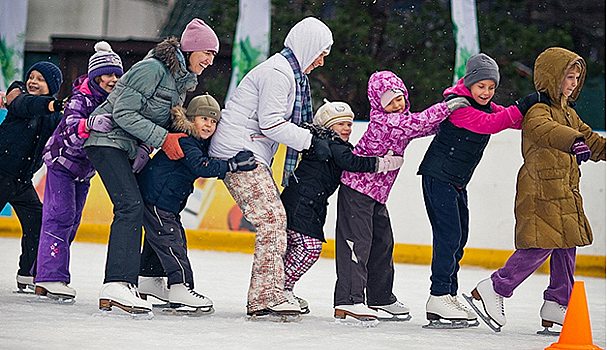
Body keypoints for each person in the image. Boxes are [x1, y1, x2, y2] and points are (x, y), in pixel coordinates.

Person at [83, 18, 219, 316]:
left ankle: (149, 278)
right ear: (191, 49)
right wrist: (161, 139)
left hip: (128, 147)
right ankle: (117, 284)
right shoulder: (153, 69)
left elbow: (167, 121)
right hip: (107, 141)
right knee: (130, 205)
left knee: (148, 203)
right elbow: (122, 112)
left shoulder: (180, 83)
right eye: (207, 52)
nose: (210, 60)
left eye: (213, 54)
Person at [467, 47, 605, 333]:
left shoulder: (568, 112)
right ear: (553, 77)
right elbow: (548, 131)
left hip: (564, 189)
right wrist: (573, 140)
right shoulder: (538, 110)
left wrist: (588, 143)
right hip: (540, 188)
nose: (573, 83)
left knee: (567, 245)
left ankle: (557, 302)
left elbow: (590, 139)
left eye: (577, 78)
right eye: (568, 76)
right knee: (542, 243)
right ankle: (496, 286)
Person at [208, 17, 334, 321]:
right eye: (320, 53)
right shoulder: (278, 73)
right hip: (239, 152)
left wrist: (312, 134)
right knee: (272, 219)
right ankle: (267, 296)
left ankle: (274, 290)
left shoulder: (290, 75)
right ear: (307, 47)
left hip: (248, 150)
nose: (320, 62)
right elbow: (273, 122)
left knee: (275, 219)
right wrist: (310, 141)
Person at [417, 53, 548, 328]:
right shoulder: (459, 106)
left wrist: (541, 115)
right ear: (469, 83)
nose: (486, 92)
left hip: (455, 181)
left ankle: (448, 296)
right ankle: (438, 294)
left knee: (459, 237)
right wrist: (524, 103)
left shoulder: (486, 106)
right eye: (481, 87)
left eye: (491, 87)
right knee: (448, 236)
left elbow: (511, 120)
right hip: (437, 177)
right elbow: (491, 124)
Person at [333, 70, 470, 322]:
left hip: (377, 196)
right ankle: (348, 300)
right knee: (357, 244)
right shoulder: (384, 122)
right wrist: (447, 106)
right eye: (389, 101)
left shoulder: (400, 120)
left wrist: (456, 110)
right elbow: (417, 124)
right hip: (356, 191)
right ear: (378, 104)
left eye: (399, 99)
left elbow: (422, 126)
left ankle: (380, 298)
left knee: (382, 245)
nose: (396, 105)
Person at [135, 94, 257, 315]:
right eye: (204, 119)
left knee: (163, 239)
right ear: (191, 118)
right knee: (172, 241)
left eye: (213, 121)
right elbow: (202, 166)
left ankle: (149, 279)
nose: (209, 125)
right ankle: (181, 286)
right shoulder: (184, 139)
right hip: (156, 199)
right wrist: (232, 164)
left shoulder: (197, 141)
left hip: (164, 201)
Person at [280, 99, 404, 314]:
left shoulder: (330, 144)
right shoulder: (331, 145)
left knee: (296, 250)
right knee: (309, 249)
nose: (346, 128)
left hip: (307, 202)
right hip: (302, 204)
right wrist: (382, 163)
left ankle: (283, 288)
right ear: (328, 126)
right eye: (340, 124)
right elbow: (353, 163)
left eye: (349, 124)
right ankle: (279, 290)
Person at [33, 42, 123, 302]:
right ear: (95, 75)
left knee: (71, 221)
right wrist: (89, 123)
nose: (113, 80)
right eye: (108, 74)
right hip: (62, 163)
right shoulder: (80, 98)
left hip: (84, 171)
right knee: (59, 216)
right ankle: (50, 277)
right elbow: (71, 132)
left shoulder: (114, 101)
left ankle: (41, 270)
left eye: (117, 74)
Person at [0, 62, 64, 292]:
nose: (33, 82)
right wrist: (53, 104)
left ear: (52, 85)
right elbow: (27, 105)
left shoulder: (55, 115)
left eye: (40, 79)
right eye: (32, 77)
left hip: (22, 180)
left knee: (37, 222)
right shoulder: (20, 95)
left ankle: (28, 272)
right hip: (2, 173)